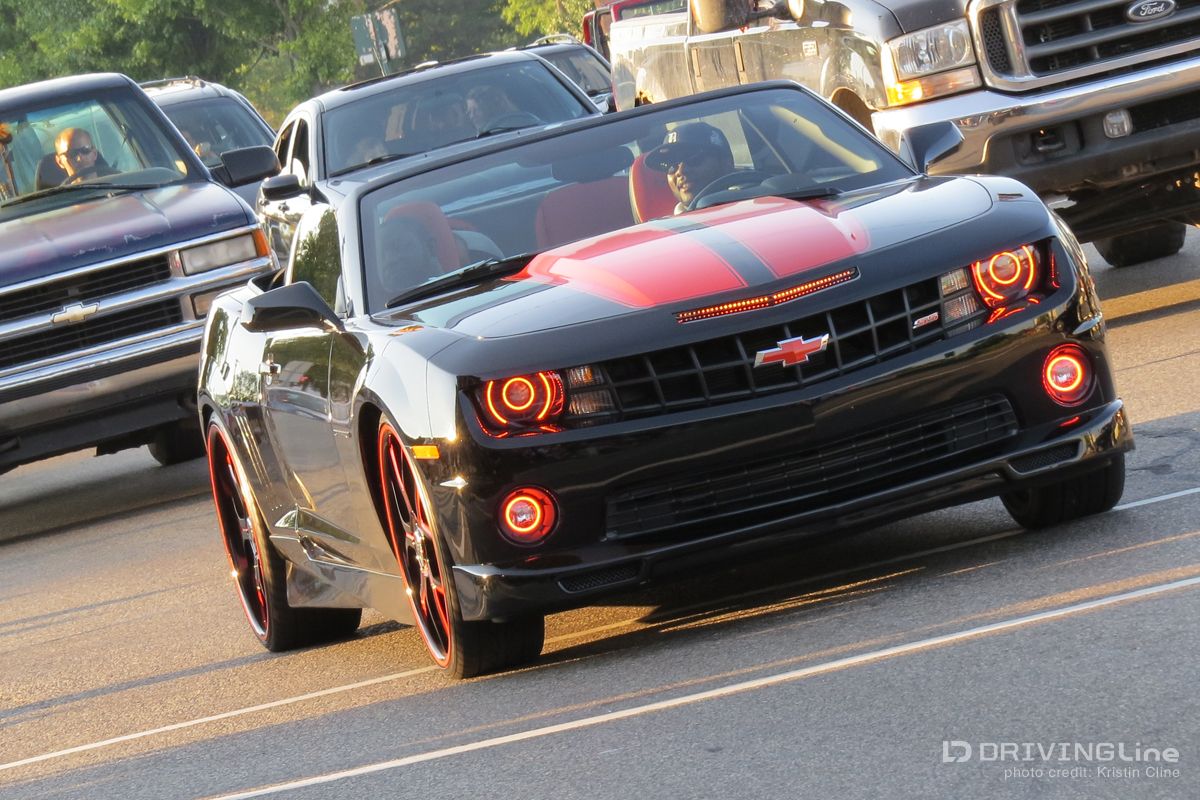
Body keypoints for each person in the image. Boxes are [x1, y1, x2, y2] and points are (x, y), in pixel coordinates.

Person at [644, 122, 735, 214]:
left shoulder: (744, 208)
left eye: (694, 159)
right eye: (670, 165)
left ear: (726, 162)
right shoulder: (670, 223)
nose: (680, 171)